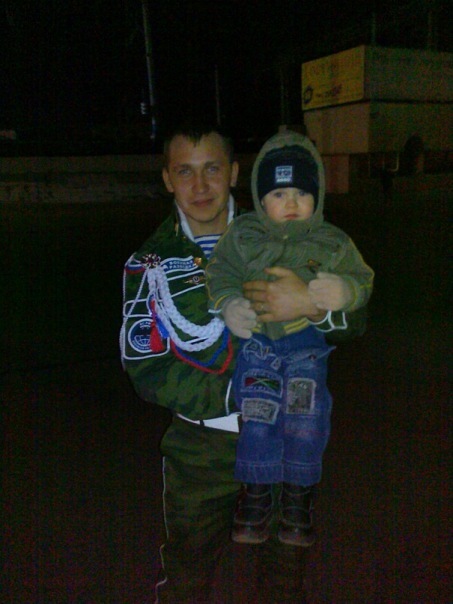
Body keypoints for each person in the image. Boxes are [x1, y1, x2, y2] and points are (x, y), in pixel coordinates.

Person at [120, 123, 368, 603]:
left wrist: (314, 306)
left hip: (285, 442)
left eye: (212, 169)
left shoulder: (283, 228)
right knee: (187, 579)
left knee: (284, 581)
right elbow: (146, 368)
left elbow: (354, 319)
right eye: (185, 172)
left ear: (234, 172)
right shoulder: (149, 261)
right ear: (168, 179)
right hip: (200, 451)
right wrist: (244, 394)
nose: (200, 186)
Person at [206, 130, 374, 547]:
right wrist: (229, 304)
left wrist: (344, 292)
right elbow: (220, 271)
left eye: (302, 193)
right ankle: (256, 494)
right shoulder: (243, 234)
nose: (292, 202)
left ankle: (298, 498)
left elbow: (361, 278)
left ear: (317, 196)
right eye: (279, 194)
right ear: (261, 199)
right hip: (259, 348)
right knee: (258, 418)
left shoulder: (332, 241)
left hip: (305, 353)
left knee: (306, 421)